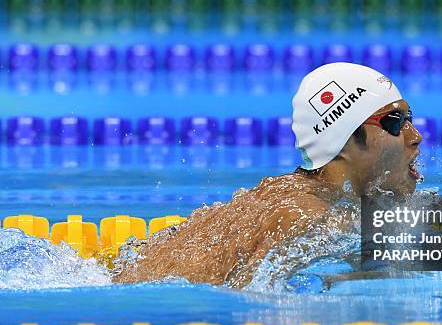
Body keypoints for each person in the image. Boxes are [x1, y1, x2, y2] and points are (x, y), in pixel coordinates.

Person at [112, 62, 422, 286]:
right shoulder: (312, 216)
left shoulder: (285, 193)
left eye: (410, 118)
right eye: (395, 122)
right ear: (345, 140)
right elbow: (253, 297)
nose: (415, 135)